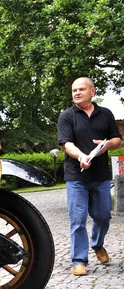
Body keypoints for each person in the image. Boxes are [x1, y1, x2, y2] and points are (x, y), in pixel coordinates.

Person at [57, 77, 122, 276]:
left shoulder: (106, 114)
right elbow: (67, 144)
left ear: (92, 92)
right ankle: (78, 260)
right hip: (76, 176)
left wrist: (106, 146)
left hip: (101, 175)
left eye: (81, 89)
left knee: (103, 217)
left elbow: (117, 140)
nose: (76, 93)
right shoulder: (67, 116)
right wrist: (81, 156)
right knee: (77, 219)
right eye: (74, 90)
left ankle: (97, 244)